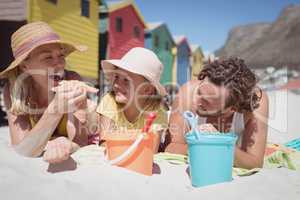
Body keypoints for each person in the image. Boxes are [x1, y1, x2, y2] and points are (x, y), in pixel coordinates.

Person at [0, 21, 98, 164]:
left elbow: (80, 142)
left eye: (61, 56)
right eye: (48, 57)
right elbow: (22, 150)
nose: (59, 64)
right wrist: (55, 110)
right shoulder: (14, 91)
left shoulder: (72, 79)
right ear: (25, 66)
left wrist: (65, 142)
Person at [165, 58, 269, 169]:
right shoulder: (187, 93)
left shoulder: (256, 105)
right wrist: (204, 146)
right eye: (199, 92)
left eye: (206, 101)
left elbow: (255, 163)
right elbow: (171, 147)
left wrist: (219, 142)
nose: (195, 101)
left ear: (233, 108)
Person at [96, 47, 168, 152]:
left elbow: (151, 150)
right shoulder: (109, 101)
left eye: (126, 80)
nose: (116, 84)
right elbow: (104, 144)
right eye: (116, 77)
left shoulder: (157, 112)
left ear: (147, 89)